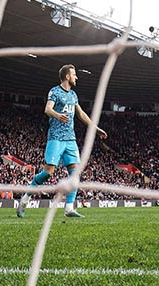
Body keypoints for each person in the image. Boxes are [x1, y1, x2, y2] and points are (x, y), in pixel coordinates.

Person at [17, 64, 107, 218]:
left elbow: (81, 113)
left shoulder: (73, 95)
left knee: (75, 173)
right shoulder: (55, 91)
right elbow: (47, 109)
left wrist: (95, 128)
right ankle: (25, 199)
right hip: (56, 138)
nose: (76, 77)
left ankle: (69, 209)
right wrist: (58, 115)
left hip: (70, 139)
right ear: (67, 76)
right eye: (74, 74)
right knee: (48, 173)